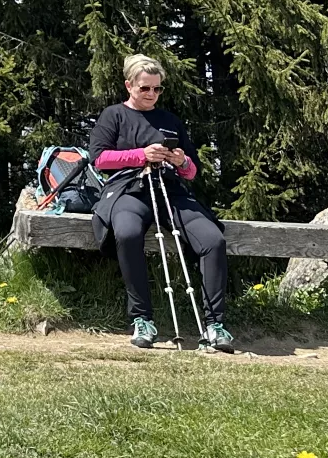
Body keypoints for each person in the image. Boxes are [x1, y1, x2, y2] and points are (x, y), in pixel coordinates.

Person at [87, 53, 234, 352]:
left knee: (212, 239)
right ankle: (142, 318)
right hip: (129, 190)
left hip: (171, 191)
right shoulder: (113, 115)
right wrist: (142, 154)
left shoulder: (170, 121)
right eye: (145, 88)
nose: (152, 94)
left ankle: (215, 324)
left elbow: (192, 171)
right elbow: (99, 159)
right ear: (129, 86)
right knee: (127, 234)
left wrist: (181, 161)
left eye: (157, 89)